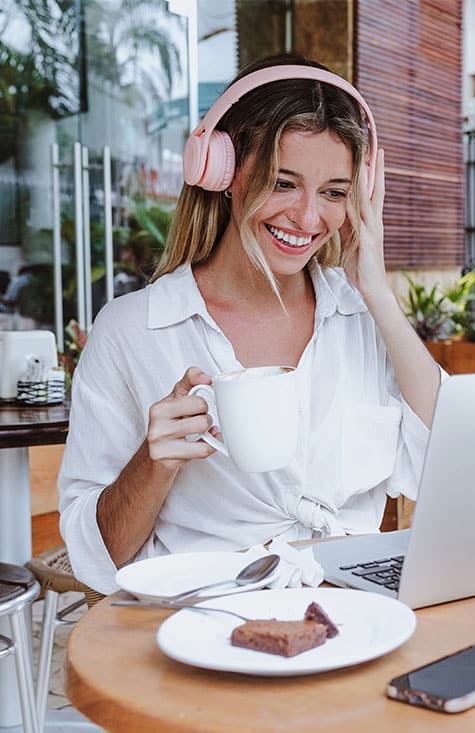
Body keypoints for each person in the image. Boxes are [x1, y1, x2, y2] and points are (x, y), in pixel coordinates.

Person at [58, 54, 442, 594]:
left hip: (354, 617)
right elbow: (98, 559)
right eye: (283, 183)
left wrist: (376, 291)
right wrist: (153, 463)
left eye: (334, 192)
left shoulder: (364, 317)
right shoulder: (133, 330)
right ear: (223, 171)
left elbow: (446, 464)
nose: (309, 219)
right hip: (207, 622)